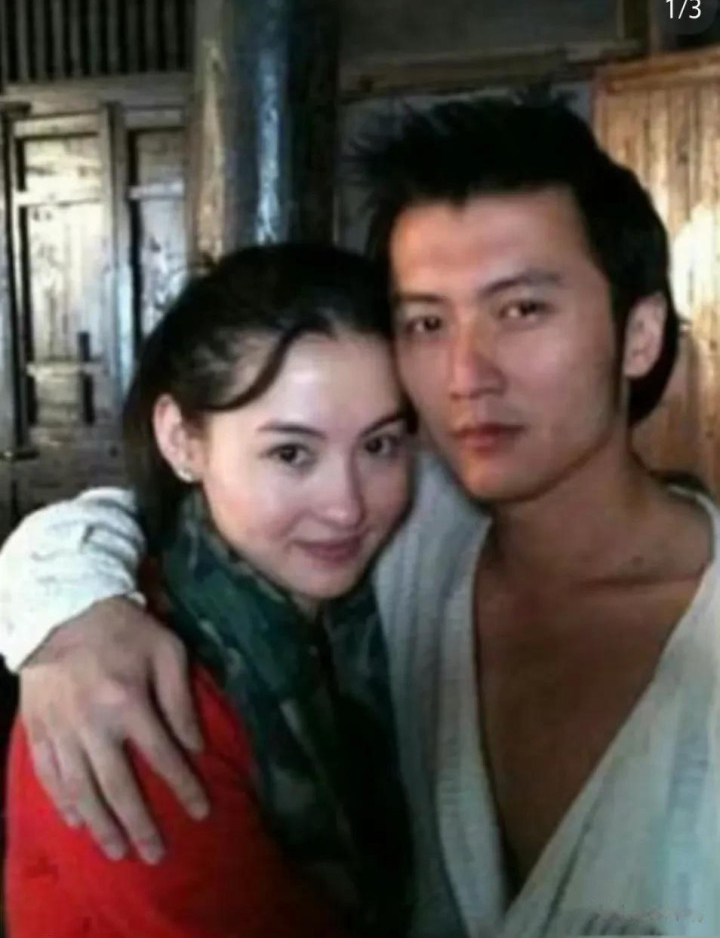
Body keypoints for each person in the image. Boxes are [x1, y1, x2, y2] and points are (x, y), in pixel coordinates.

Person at [2, 98, 719, 936]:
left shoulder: (398, 529)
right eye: (426, 322)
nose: (466, 374)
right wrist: (71, 613)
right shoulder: (402, 545)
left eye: (522, 309)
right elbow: (174, 509)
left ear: (639, 335)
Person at [3, 243, 414, 938]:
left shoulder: (363, 614)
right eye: (291, 453)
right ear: (182, 440)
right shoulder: (127, 692)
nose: (346, 506)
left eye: (380, 445)